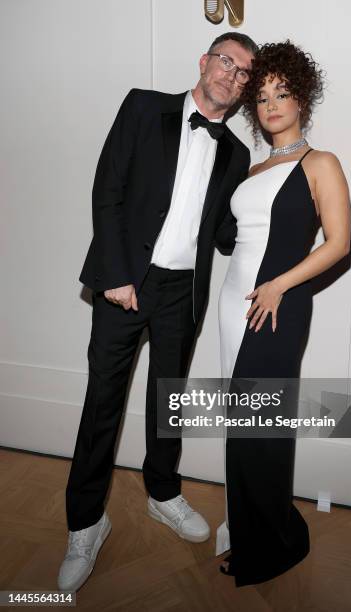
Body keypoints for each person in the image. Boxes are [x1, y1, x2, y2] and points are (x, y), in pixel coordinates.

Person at [57, 32, 258, 592]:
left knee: (168, 400)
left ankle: (163, 493)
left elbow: (224, 233)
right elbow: (108, 188)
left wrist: (273, 215)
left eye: (243, 73)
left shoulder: (237, 154)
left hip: (181, 294)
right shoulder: (144, 106)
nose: (232, 76)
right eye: (226, 62)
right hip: (125, 282)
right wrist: (117, 275)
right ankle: (85, 522)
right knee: (103, 404)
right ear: (204, 61)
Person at [216, 40, 351, 586]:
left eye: (283, 93)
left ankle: (277, 542)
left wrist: (279, 285)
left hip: (278, 305)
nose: (272, 104)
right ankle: (248, 530)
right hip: (233, 304)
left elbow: (338, 243)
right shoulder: (251, 169)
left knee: (263, 428)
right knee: (240, 424)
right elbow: (236, 239)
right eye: (263, 95)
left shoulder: (321, 163)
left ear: (302, 99)